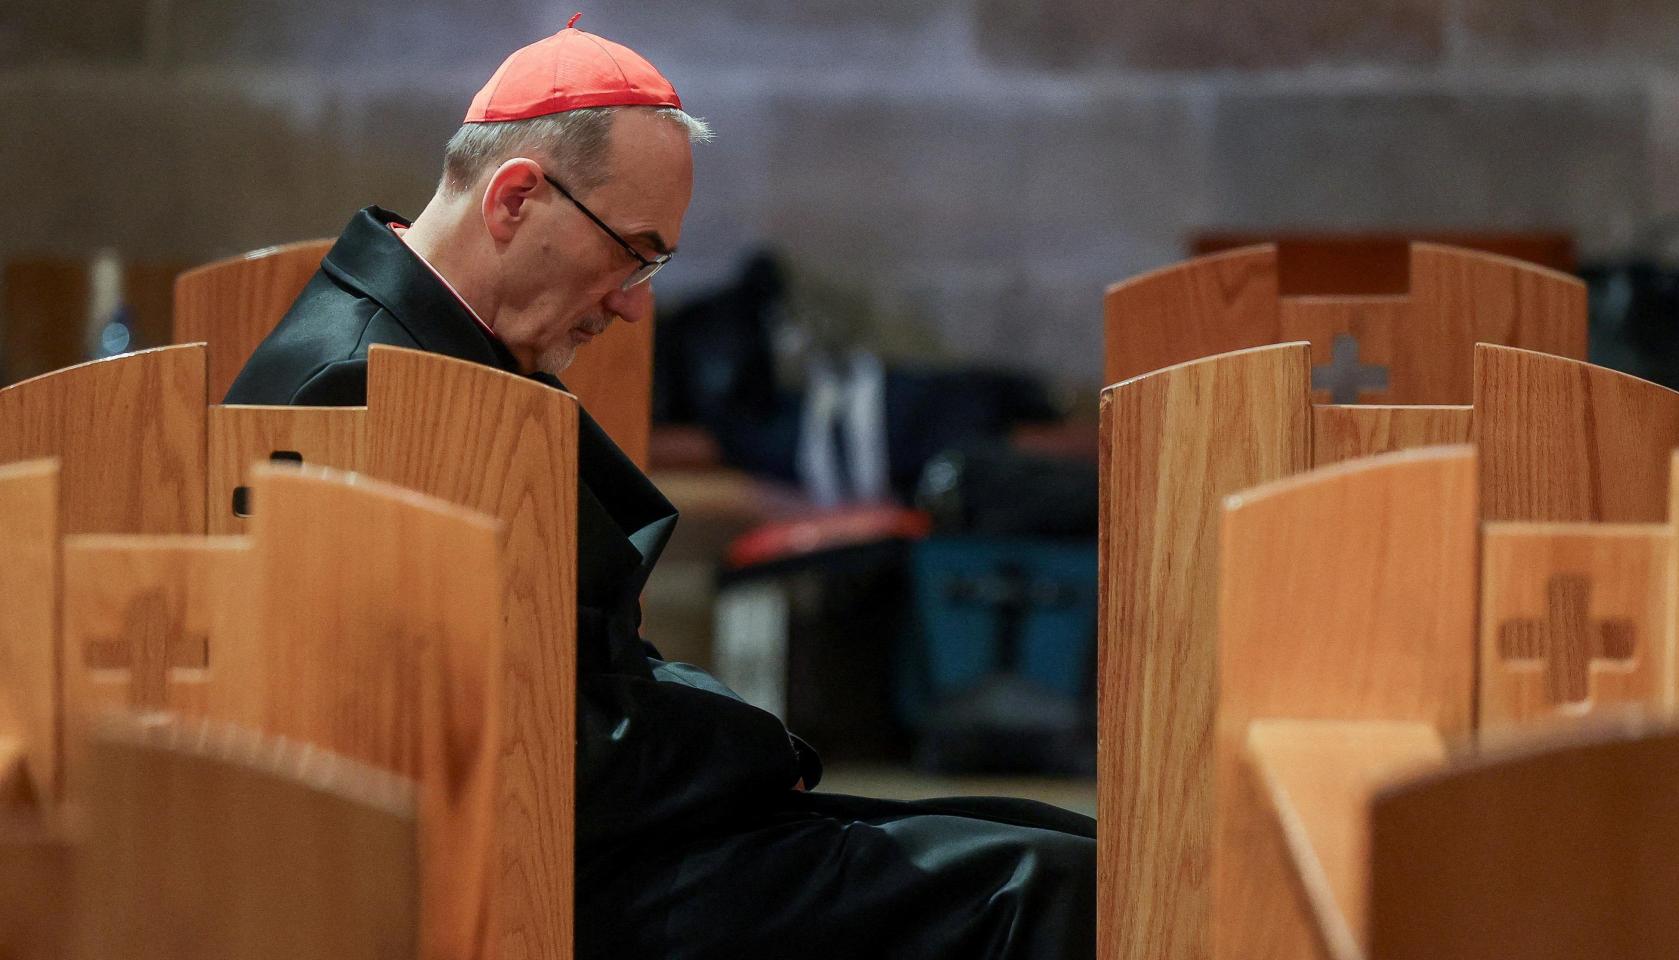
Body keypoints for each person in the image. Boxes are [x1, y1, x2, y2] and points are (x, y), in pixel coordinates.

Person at [225, 16, 1094, 959]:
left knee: (1061, 844)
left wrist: (732, 741)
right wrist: (748, 746)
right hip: (522, 884)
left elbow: (571, 664)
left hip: (594, 834)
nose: (637, 302)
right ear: (516, 198)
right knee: (1043, 889)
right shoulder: (359, 385)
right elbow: (460, 738)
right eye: (634, 252)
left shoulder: (438, 343)